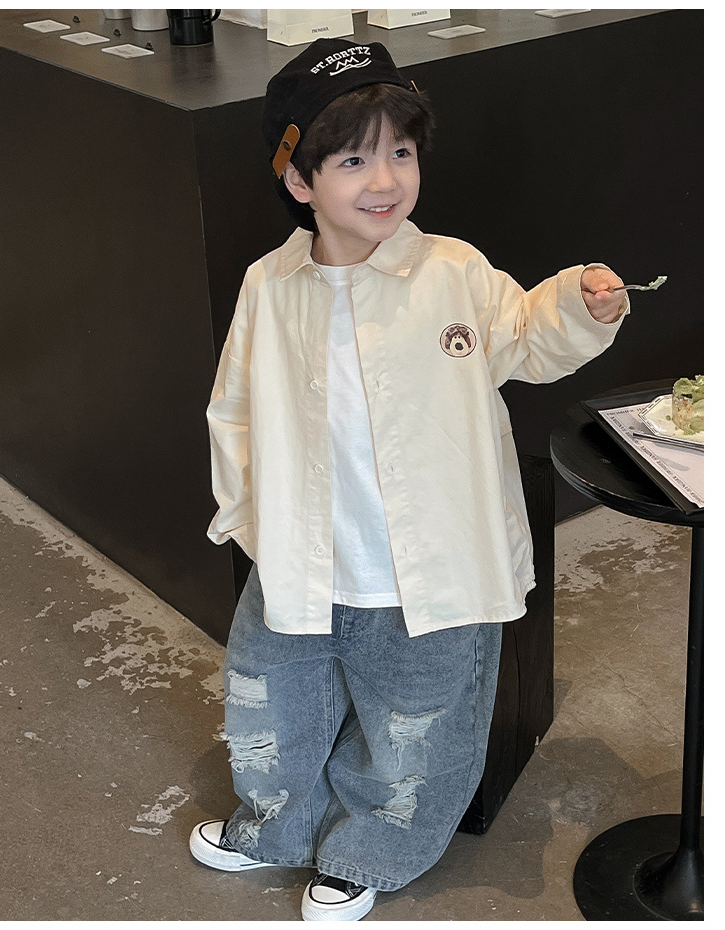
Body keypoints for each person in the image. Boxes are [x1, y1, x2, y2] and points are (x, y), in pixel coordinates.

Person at [189, 38, 629, 922]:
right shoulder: (270, 286)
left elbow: (525, 336)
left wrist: (579, 304)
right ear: (299, 179)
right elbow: (232, 406)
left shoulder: (452, 271)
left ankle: (370, 854)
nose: (385, 179)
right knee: (270, 706)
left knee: (415, 728)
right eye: (353, 160)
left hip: (427, 572)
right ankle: (274, 824)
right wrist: (248, 519)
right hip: (303, 559)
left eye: (400, 151)